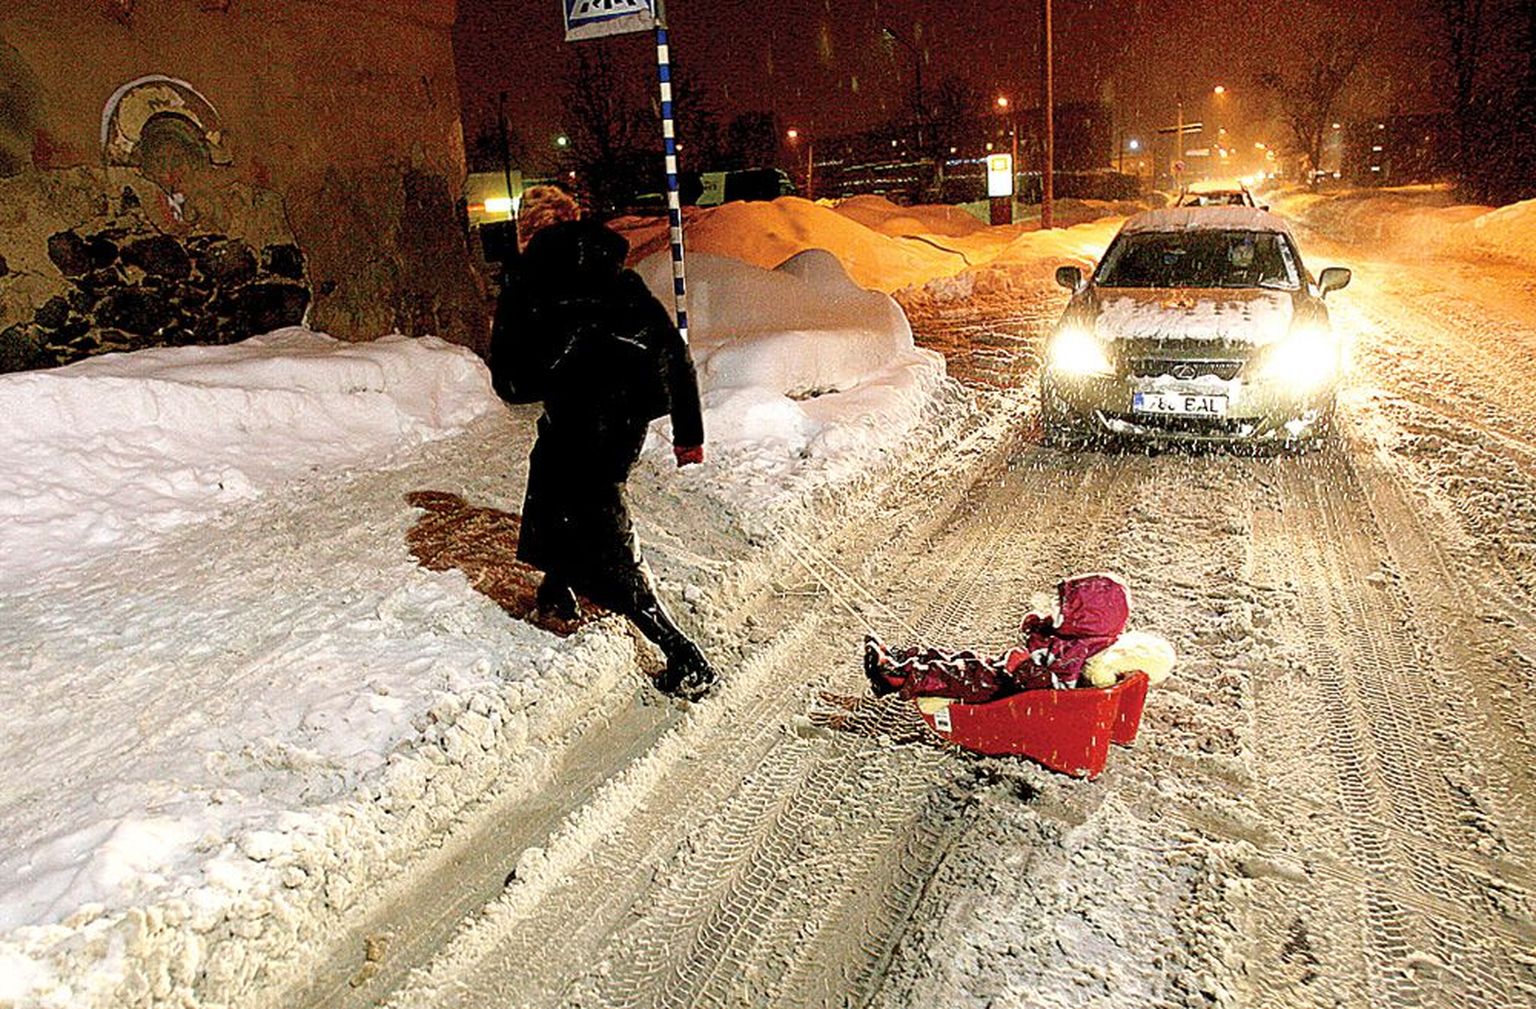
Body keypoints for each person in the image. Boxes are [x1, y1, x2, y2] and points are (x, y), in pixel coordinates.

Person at [488, 186, 717, 700]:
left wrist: (558, 358)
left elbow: (512, 384)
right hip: (622, 425)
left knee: (602, 541)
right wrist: (689, 434)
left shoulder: (527, 288)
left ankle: (683, 654)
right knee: (548, 493)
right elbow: (673, 356)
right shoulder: (620, 280)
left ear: (529, 233)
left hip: (579, 425)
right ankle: (556, 592)